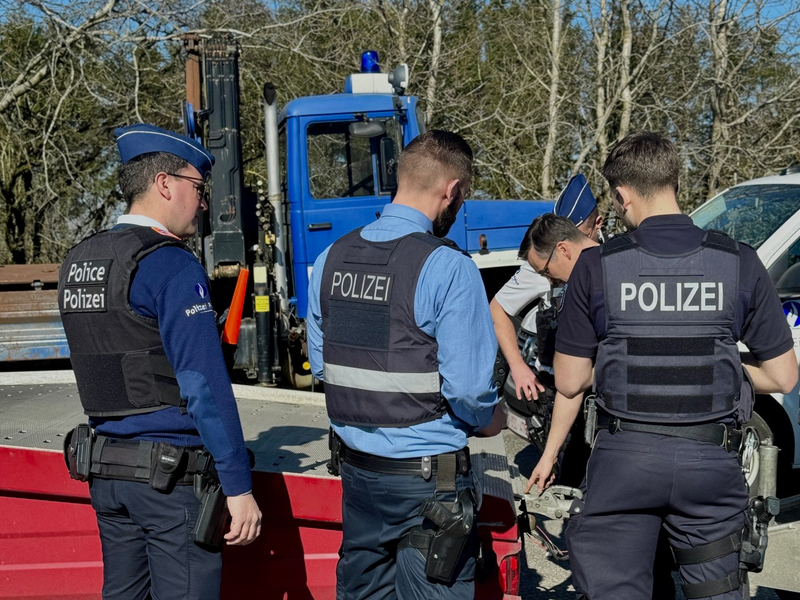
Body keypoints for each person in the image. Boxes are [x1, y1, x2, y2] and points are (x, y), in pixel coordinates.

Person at [526, 132, 798, 599]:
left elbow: (570, 382)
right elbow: (782, 376)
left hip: (624, 464)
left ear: (622, 194)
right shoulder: (739, 262)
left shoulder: (597, 268)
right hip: (710, 464)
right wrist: (718, 363)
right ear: (673, 181)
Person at [58, 124, 261, 600]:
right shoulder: (170, 263)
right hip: (168, 484)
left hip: (107, 474)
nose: (203, 202)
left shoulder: (80, 260)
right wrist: (238, 487)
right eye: (198, 188)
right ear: (165, 184)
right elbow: (202, 385)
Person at [307, 130, 505, 600]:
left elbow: (323, 369)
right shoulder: (448, 267)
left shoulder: (331, 259)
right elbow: (471, 391)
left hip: (359, 480)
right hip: (427, 488)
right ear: (452, 191)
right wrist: (488, 418)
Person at [491, 173, 603, 402]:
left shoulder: (615, 259)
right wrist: (518, 366)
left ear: (597, 226)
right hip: (555, 386)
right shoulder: (542, 262)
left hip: (598, 386)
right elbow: (497, 309)